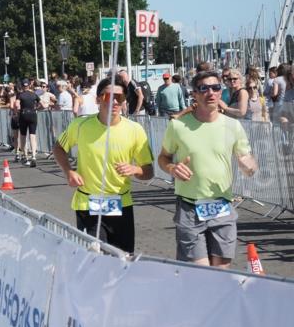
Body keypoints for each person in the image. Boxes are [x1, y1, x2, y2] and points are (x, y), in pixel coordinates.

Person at [158, 70, 257, 269]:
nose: (210, 92)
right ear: (194, 94)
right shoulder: (178, 126)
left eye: (216, 87)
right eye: (204, 88)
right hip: (190, 207)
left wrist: (250, 167)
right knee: (201, 273)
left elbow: (248, 160)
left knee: (221, 273)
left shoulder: (233, 125)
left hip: (221, 206)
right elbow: (163, 158)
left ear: (221, 92)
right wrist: (172, 168)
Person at [52, 75, 154, 253]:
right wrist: (69, 171)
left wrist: (135, 169)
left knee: (122, 261)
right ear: (98, 99)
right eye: (108, 96)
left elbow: (149, 171)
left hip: (121, 204)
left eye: (119, 98)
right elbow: (59, 147)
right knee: (94, 259)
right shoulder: (80, 125)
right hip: (88, 204)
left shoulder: (135, 130)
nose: (114, 102)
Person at [15, 79, 41, 166]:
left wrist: (17, 111)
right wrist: (36, 108)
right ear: (29, 85)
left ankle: (25, 155)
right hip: (33, 114)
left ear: (22, 86)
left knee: (23, 136)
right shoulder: (34, 94)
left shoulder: (20, 95)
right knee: (32, 135)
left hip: (24, 114)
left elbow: (16, 105)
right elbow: (43, 104)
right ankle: (33, 155)